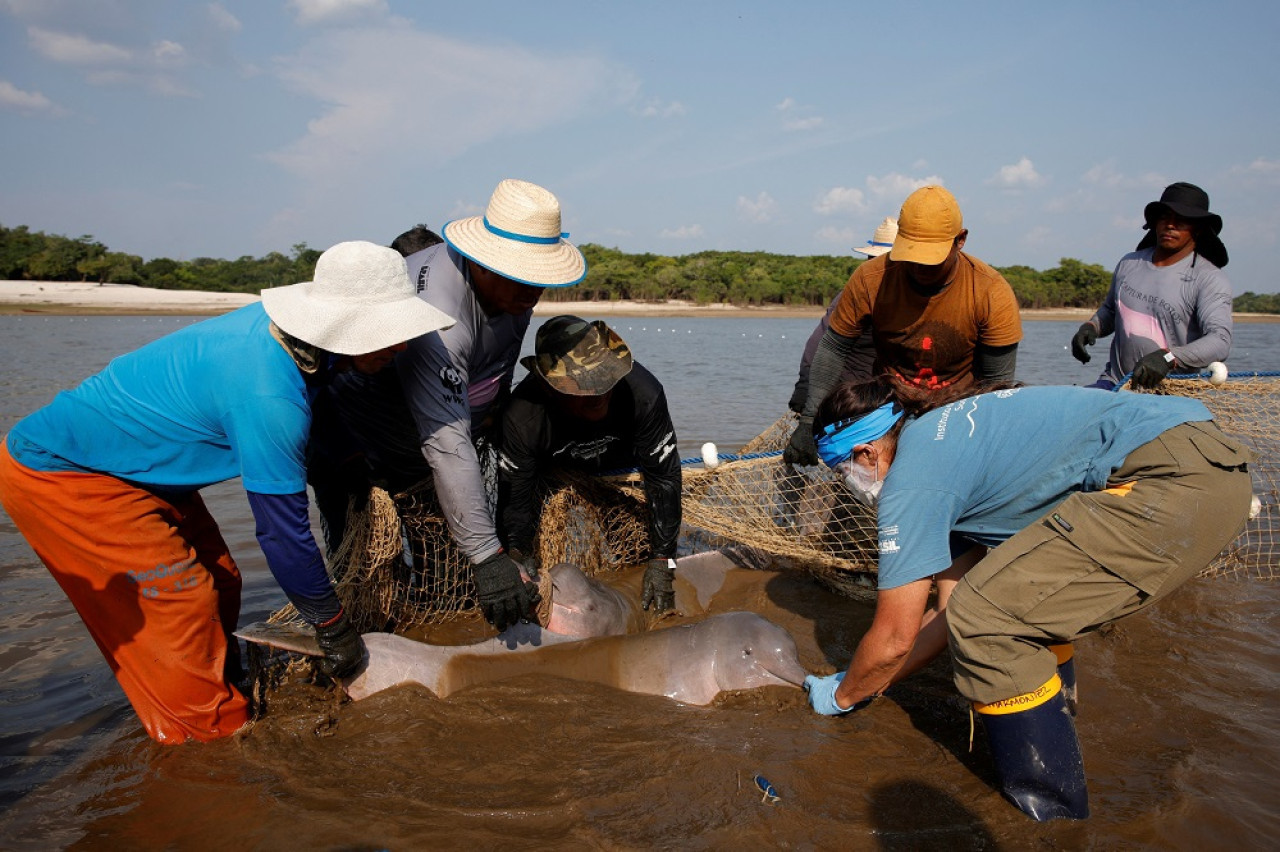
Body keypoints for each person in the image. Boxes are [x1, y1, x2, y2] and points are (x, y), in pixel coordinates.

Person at [0, 242, 456, 744]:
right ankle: (209, 748)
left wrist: (351, 467)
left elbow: (321, 400)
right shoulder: (266, 392)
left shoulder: (301, 341)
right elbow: (283, 533)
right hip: (68, 475)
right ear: (345, 326)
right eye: (389, 336)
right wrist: (331, 625)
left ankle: (215, 691)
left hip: (142, 470)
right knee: (183, 605)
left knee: (223, 581)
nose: (400, 348)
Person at [800, 376, 1251, 821]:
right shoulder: (937, 439)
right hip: (1203, 459)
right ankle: (1058, 722)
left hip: (1172, 484)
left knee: (990, 622)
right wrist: (871, 680)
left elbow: (895, 637)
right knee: (995, 604)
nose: (848, 483)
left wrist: (841, 695)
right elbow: (949, 611)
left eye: (843, 470)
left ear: (866, 451)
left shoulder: (912, 483)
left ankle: (1051, 818)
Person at [326, 179, 587, 633]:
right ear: (482, 265)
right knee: (364, 551)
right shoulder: (438, 319)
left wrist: (490, 415)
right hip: (358, 419)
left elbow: (500, 358)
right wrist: (487, 557)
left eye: (540, 281)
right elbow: (446, 445)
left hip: (438, 417)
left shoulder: (514, 290)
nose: (534, 293)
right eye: (523, 279)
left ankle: (436, 613)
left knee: (442, 565)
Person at [785, 186, 1022, 465]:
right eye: (912, 254)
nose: (919, 267)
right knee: (860, 491)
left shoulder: (990, 292)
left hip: (956, 411)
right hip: (888, 409)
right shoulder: (871, 279)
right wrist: (810, 420)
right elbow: (834, 346)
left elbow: (997, 386)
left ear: (960, 240)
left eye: (931, 258)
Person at [498, 316, 682, 611]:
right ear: (549, 387)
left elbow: (664, 479)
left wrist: (664, 561)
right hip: (551, 476)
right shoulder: (523, 418)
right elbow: (516, 501)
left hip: (621, 470)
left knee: (637, 557)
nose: (599, 394)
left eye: (604, 379)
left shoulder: (643, 394)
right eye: (584, 386)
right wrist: (517, 552)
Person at [1071, 182, 1232, 389]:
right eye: (1165, 217)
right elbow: (1111, 310)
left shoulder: (1210, 279)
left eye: (1181, 220)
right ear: (1155, 222)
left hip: (1172, 392)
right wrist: (1091, 327)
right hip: (1115, 383)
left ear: (1198, 229)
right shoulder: (1129, 263)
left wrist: (1168, 358)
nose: (1170, 225)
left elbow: (1220, 341)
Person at [787, 216, 898, 413]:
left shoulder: (885, 295)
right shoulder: (860, 295)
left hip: (854, 391)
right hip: (846, 397)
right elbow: (822, 343)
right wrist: (807, 393)